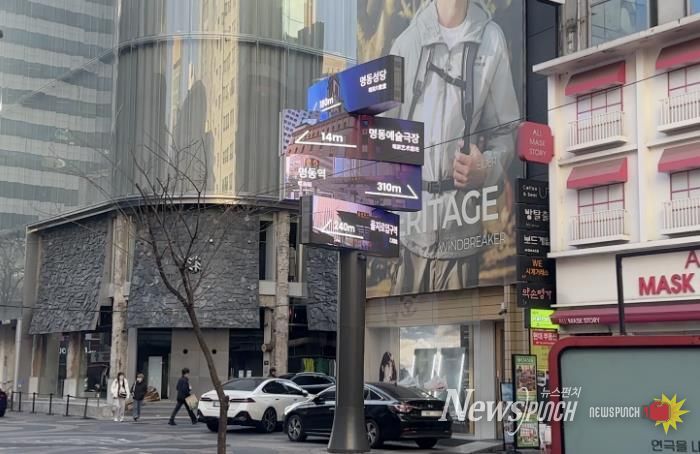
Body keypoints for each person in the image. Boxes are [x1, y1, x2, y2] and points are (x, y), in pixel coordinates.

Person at [386, 0, 520, 294]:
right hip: (408, 235)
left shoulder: (491, 39)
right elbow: (382, 137)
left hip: (462, 239)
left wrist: (485, 168)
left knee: (461, 323)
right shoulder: (407, 42)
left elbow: (506, 133)